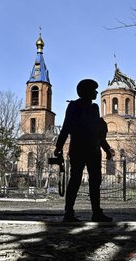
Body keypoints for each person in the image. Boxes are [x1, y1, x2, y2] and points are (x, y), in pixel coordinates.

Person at [54, 79, 115, 222]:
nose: (96, 92)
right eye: (93, 90)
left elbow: (98, 133)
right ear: (86, 91)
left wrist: (106, 149)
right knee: (75, 180)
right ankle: (69, 213)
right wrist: (58, 147)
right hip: (79, 149)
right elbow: (66, 127)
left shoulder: (95, 108)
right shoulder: (74, 106)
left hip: (93, 151)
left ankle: (97, 213)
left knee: (95, 182)